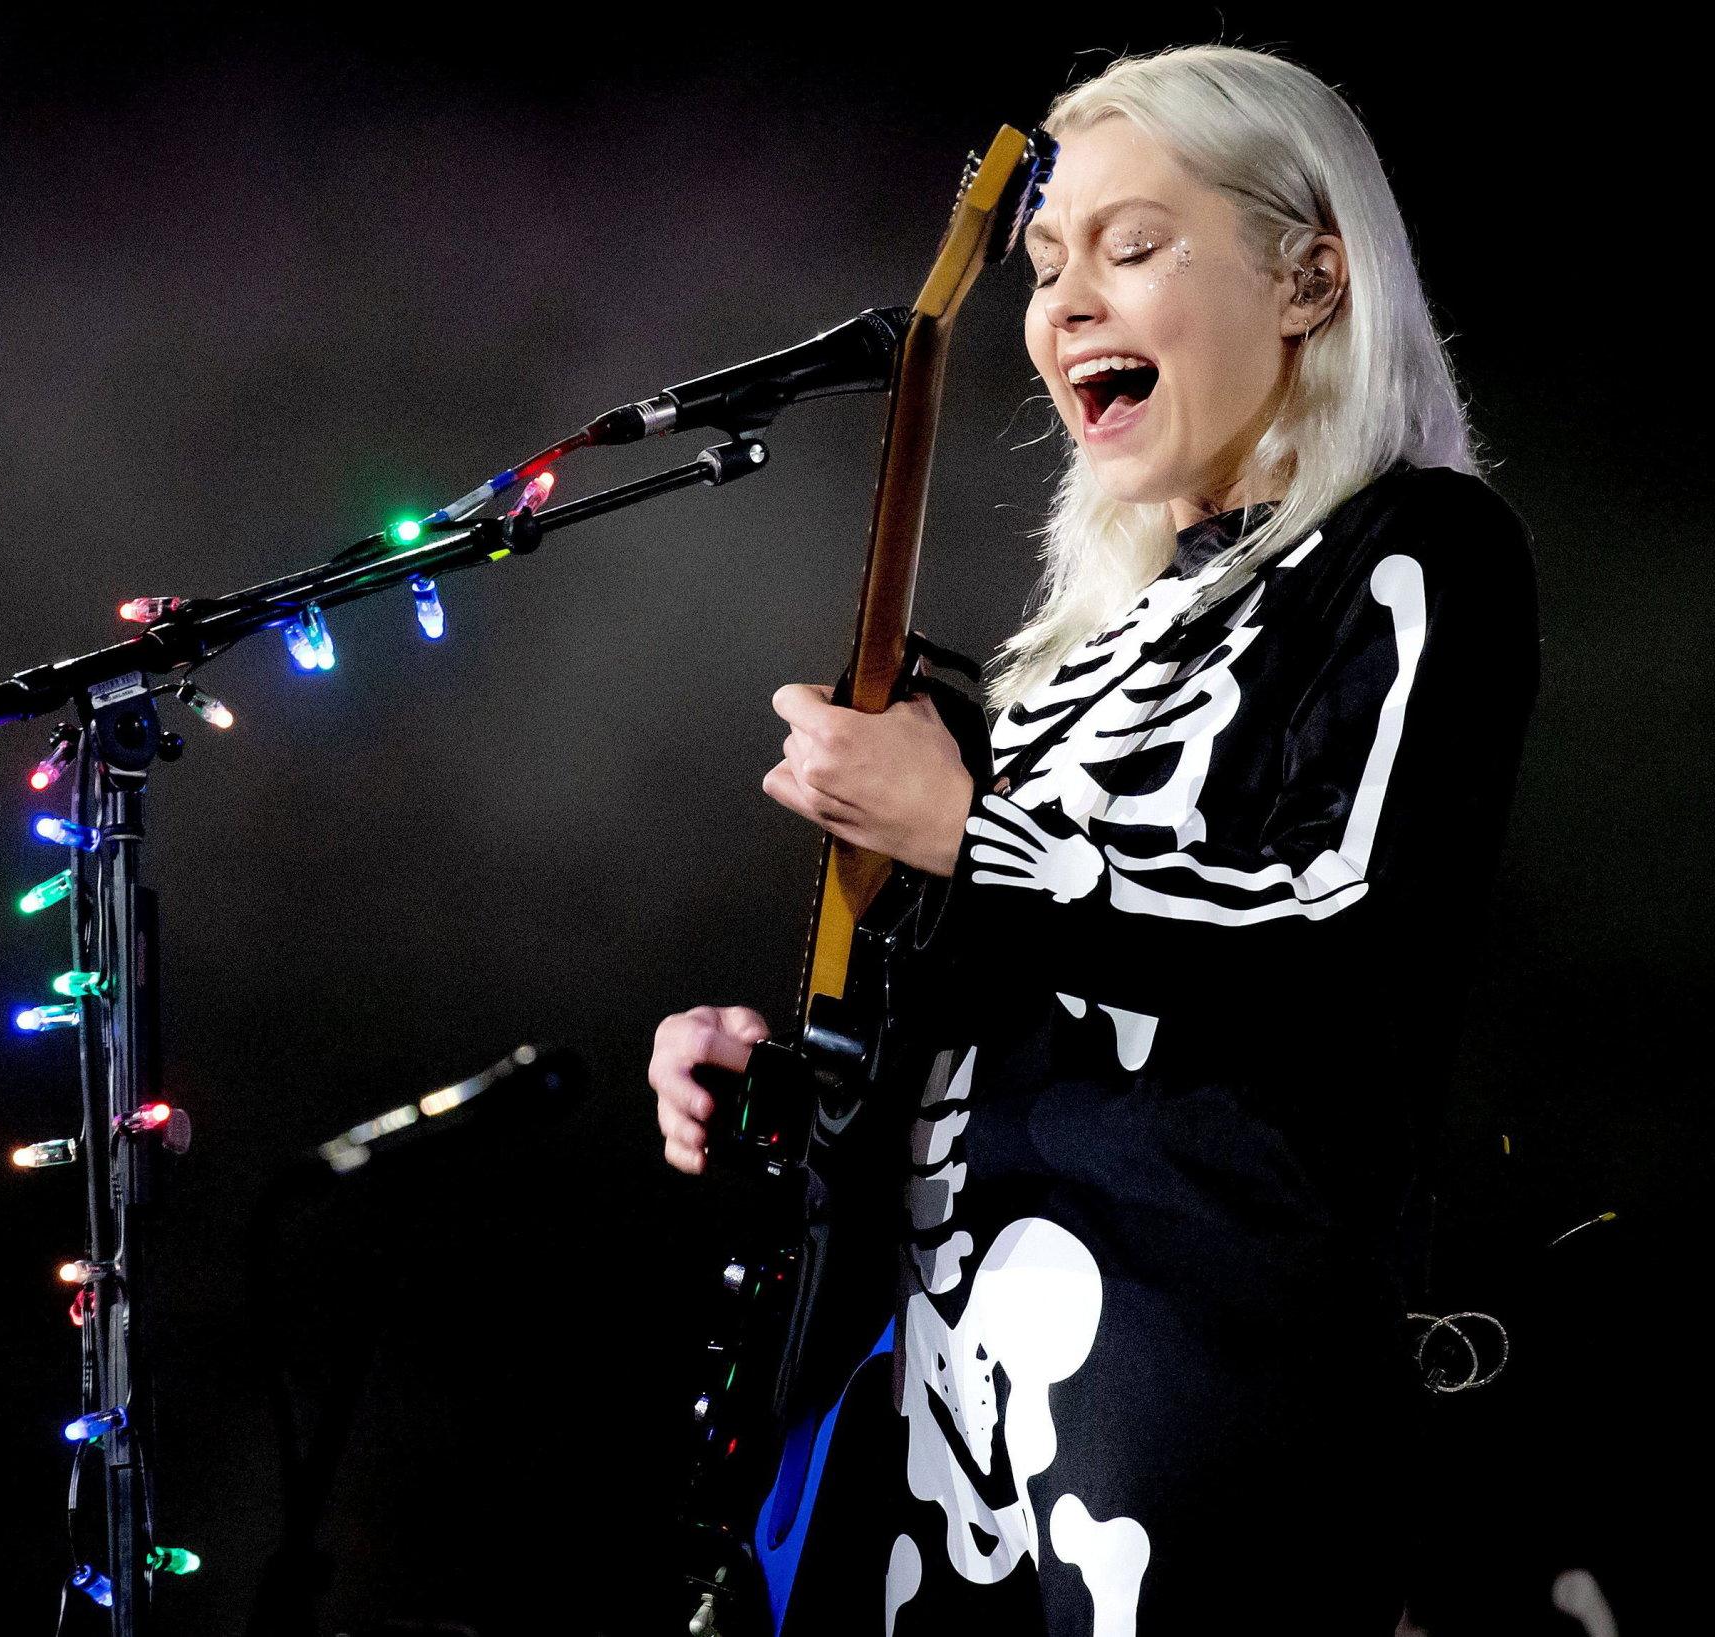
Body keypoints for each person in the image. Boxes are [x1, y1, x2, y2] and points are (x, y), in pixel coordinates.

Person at [650, 43, 1539, 1636]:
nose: (1059, 308)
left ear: (1312, 276)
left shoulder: (1420, 546)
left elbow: (1342, 937)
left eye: (1133, 249)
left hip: (1198, 1391)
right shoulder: (1060, 668)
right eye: (1047, 266)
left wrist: (973, 837)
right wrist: (787, 1079)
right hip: (920, 1420)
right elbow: (993, 1026)